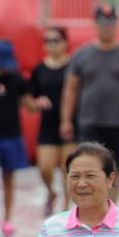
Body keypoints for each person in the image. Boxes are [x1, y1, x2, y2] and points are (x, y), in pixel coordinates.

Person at [59, 4, 119, 200]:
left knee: (115, 168)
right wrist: (65, 119)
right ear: (95, 24)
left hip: (118, 121)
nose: (107, 26)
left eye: (111, 22)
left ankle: (111, 210)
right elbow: (70, 89)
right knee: (89, 165)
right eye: (102, 22)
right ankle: (89, 205)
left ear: (117, 24)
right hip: (90, 120)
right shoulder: (81, 54)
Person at [0, 39, 40, 235]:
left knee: (8, 177)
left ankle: (7, 218)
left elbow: (28, 104)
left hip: (12, 134)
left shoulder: (18, 80)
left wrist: (38, 103)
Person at [30, 26, 76, 214]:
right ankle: (51, 192)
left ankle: (67, 208)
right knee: (45, 168)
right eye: (47, 41)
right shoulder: (39, 69)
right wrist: (36, 102)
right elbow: (28, 100)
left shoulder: (73, 67)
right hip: (47, 125)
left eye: (55, 40)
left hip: (70, 125)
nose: (51, 45)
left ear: (65, 43)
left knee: (68, 169)